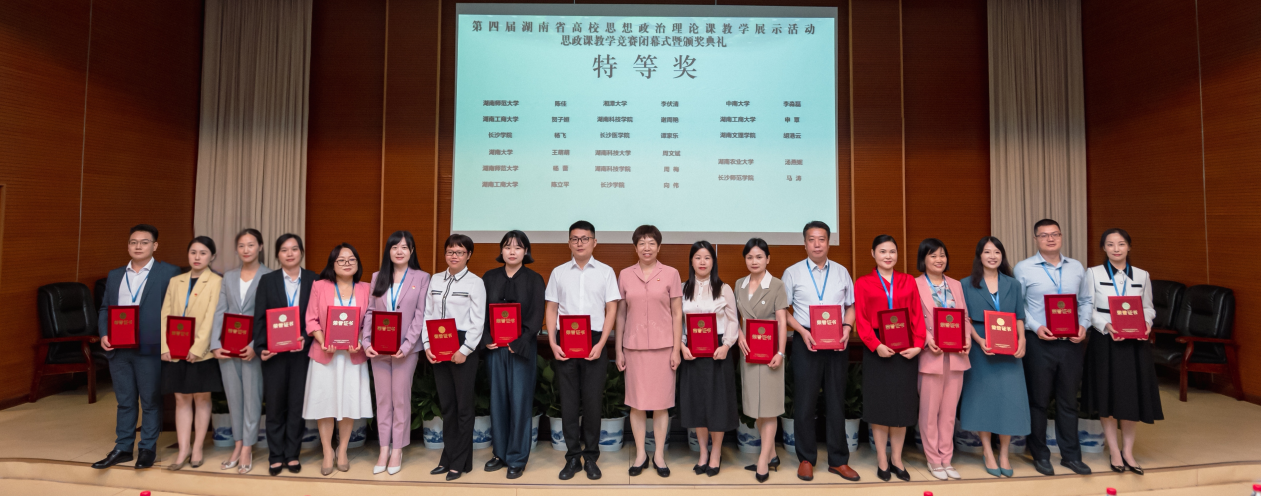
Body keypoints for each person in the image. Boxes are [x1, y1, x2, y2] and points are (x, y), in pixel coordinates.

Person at [93, 225, 181, 470]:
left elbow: (178, 309)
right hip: (119, 348)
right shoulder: (115, 275)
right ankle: (123, 448)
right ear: (128, 246)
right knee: (125, 401)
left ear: (155, 246)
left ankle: (147, 449)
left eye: (144, 242)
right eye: (133, 242)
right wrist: (104, 333)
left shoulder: (168, 272)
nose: (138, 246)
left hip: (150, 348)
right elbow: (105, 308)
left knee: (150, 400)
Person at [1014, 219, 1093, 476]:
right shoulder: (1024, 268)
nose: (1050, 239)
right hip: (1039, 343)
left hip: (1071, 344)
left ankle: (1071, 456)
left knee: (1068, 401)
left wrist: (1083, 325)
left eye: (1055, 234)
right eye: (1044, 235)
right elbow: (1018, 306)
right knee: (1038, 401)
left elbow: (1085, 300)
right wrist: (1036, 326)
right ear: (1036, 239)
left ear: (1061, 236)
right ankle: (1039, 455)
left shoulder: (1076, 267)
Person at [782, 221, 859, 482]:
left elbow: (850, 306)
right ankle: (806, 459)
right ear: (805, 243)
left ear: (828, 242)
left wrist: (847, 327)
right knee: (805, 401)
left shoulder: (841, 272)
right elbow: (783, 310)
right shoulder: (792, 272)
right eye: (812, 239)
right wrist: (801, 332)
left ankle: (838, 460)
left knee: (836, 400)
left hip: (837, 341)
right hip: (806, 339)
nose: (817, 244)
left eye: (822, 239)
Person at [1081, 228, 1162, 475]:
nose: (1116, 249)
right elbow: (1087, 307)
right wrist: (1106, 325)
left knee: (1131, 396)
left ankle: (1128, 451)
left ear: (1129, 247)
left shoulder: (1142, 275)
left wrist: (1146, 323)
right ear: (1103, 248)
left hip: (1134, 344)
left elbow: (1148, 307)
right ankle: (1114, 451)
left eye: (1121, 244)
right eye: (1110, 244)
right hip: (1106, 341)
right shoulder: (1093, 273)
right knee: (1107, 395)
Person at [545, 220, 620, 481]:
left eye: (585, 238)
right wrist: (552, 342)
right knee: (568, 402)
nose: (580, 243)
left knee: (592, 402)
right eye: (575, 239)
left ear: (594, 242)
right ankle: (572, 458)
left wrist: (602, 343)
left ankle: (590, 458)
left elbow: (612, 309)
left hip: (595, 341)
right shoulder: (558, 272)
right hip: (565, 341)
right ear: (569, 242)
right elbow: (551, 308)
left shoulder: (606, 272)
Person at [854, 234, 925, 482]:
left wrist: (918, 345)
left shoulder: (908, 281)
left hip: (905, 348)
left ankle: (897, 458)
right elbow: (861, 319)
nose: (888, 256)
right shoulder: (863, 283)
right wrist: (875, 345)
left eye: (892, 251)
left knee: (901, 407)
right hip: (878, 348)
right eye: (883, 251)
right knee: (880, 406)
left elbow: (917, 314)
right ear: (873, 253)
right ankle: (882, 459)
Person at [615, 224, 683, 478]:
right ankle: (641, 454)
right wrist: (619, 349)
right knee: (637, 403)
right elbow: (621, 315)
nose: (647, 247)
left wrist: (676, 349)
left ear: (659, 247)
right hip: (633, 347)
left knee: (661, 404)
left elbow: (677, 314)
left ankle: (659, 455)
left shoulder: (671, 274)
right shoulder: (625, 275)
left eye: (651, 243)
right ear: (635, 247)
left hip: (664, 347)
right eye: (642, 243)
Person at [958, 237, 1029, 478]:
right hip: (982, 348)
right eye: (987, 252)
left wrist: (1022, 340)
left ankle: (1004, 453)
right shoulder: (965, 284)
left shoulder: (1013, 284)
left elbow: (1019, 315)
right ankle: (988, 451)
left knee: (1009, 400)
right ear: (979, 256)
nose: (992, 256)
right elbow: (964, 318)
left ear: (1002, 256)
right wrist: (979, 341)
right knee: (983, 400)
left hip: (1009, 350)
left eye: (997, 252)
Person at [362, 231, 430, 475]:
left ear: (412, 251)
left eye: (404, 247)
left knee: (400, 399)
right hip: (378, 348)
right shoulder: (377, 276)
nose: (399, 251)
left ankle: (397, 449)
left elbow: (420, 314)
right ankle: (383, 448)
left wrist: (407, 345)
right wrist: (366, 341)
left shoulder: (422, 277)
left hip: (405, 350)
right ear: (388, 251)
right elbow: (371, 311)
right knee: (383, 400)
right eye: (394, 247)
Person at [304, 243, 372, 476]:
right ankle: (327, 451)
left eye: (351, 259)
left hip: (352, 356)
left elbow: (369, 322)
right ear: (332, 265)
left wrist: (360, 341)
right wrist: (323, 341)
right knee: (324, 403)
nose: (346, 263)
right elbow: (311, 319)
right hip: (325, 355)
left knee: (348, 403)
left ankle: (342, 450)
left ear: (357, 264)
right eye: (341, 260)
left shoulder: (366, 288)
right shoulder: (320, 286)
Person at [481, 231, 546, 479]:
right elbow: (480, 311)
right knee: (497, 401)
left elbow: (536, 315)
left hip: (522, 350)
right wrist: (487, 337)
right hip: (495, 349)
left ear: (526, 252)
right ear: (501, 250)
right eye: (507, 247)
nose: (512, 251)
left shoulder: (534, 279)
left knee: (520, 402)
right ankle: (500, 453)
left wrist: (521, 341)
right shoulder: (489, 277)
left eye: (518, 247)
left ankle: (517, 457)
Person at [422, 234, 487, 481]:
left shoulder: (475, 283)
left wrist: (465, 350)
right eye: (450, 251)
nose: (454, 256)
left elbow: (478, 321)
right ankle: (448, 457)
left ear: (468, 255)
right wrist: (427, 344)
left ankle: (460, 461)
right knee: (447, 406)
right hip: (438, 343)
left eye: (460, 252)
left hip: (462, 345)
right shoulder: (435, 279)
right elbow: (428, 314)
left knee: (463, 407)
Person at [209, 229, 271, 474]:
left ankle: (247, 447)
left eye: (251, 245)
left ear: (260, 247)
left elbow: (269, 316)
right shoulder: (229, 276)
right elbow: (220, 310)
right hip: (228, 347)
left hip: (252, 348)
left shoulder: (269, 276)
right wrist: (216, 343)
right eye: (242, 245)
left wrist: (257, 345)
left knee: (252, 398)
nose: (246, 250)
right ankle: (237, 444)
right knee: (234, 398)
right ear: (237, 249)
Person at [160, 236, 225, 470]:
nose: (197, 257)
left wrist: (197, 348)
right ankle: (183, 449)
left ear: (212, 256)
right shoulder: (175, 281)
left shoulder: (217, 282)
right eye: (193, 252)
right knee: (181, 399)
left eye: (203, 253)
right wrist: (164, 347)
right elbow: (165, 315)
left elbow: (212, 318)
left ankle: (197, 448)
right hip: (175, 350)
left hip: (202, 352)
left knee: (202, 398)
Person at [255, 234, 316, 476]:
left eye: (294, 249)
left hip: (302, 354)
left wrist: (306, 338)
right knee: (275, 406)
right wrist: (261, 348)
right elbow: (260, 317)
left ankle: (292, 454)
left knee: (296, 406)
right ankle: (275, 456)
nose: (289, 253)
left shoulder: (313, 280)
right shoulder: (267, 281)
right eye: (284, 250)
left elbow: (318, 317)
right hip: (275, 355)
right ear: (277, 254)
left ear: (301, 252)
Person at [678, 241, 739, 477]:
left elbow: (733, 320)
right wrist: (682, 346)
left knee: (717, 404)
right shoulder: (683, 289)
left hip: (718, 351)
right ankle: (703, 452)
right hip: (692, 353)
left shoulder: (724, 289)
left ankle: (716, 453)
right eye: (698, 257)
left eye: (707, 258)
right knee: (698, 404)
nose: (702, 262)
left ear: (713, 262)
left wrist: (726, 345)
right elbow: (678, 322)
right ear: (691, 262)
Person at [913, 238, 971, 480]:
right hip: (931, 355)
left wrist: (966, 338)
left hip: (956, 356)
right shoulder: (915, 284)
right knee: (929, 412)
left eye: (942, 255)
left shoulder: (955, 285)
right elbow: (914, 319)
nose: (939, 260)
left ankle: (946, 458)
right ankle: (933, 460)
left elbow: (964, 317)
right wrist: (927, 339)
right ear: (923, 259)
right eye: (933, 255)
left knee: (948, 413)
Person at [733, 238, 789, 483]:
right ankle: (772, 454)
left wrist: (781, 353)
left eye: (759, 256)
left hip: (770, 355)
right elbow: (735, 317)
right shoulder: (739, 284)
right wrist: (739, 334)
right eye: (749, 257)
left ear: (768, 259)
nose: (754, 261)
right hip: (748, 353)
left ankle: (763, 461)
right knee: (756, 408)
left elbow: (782, 321)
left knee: (769, 409)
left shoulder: (776, 285)